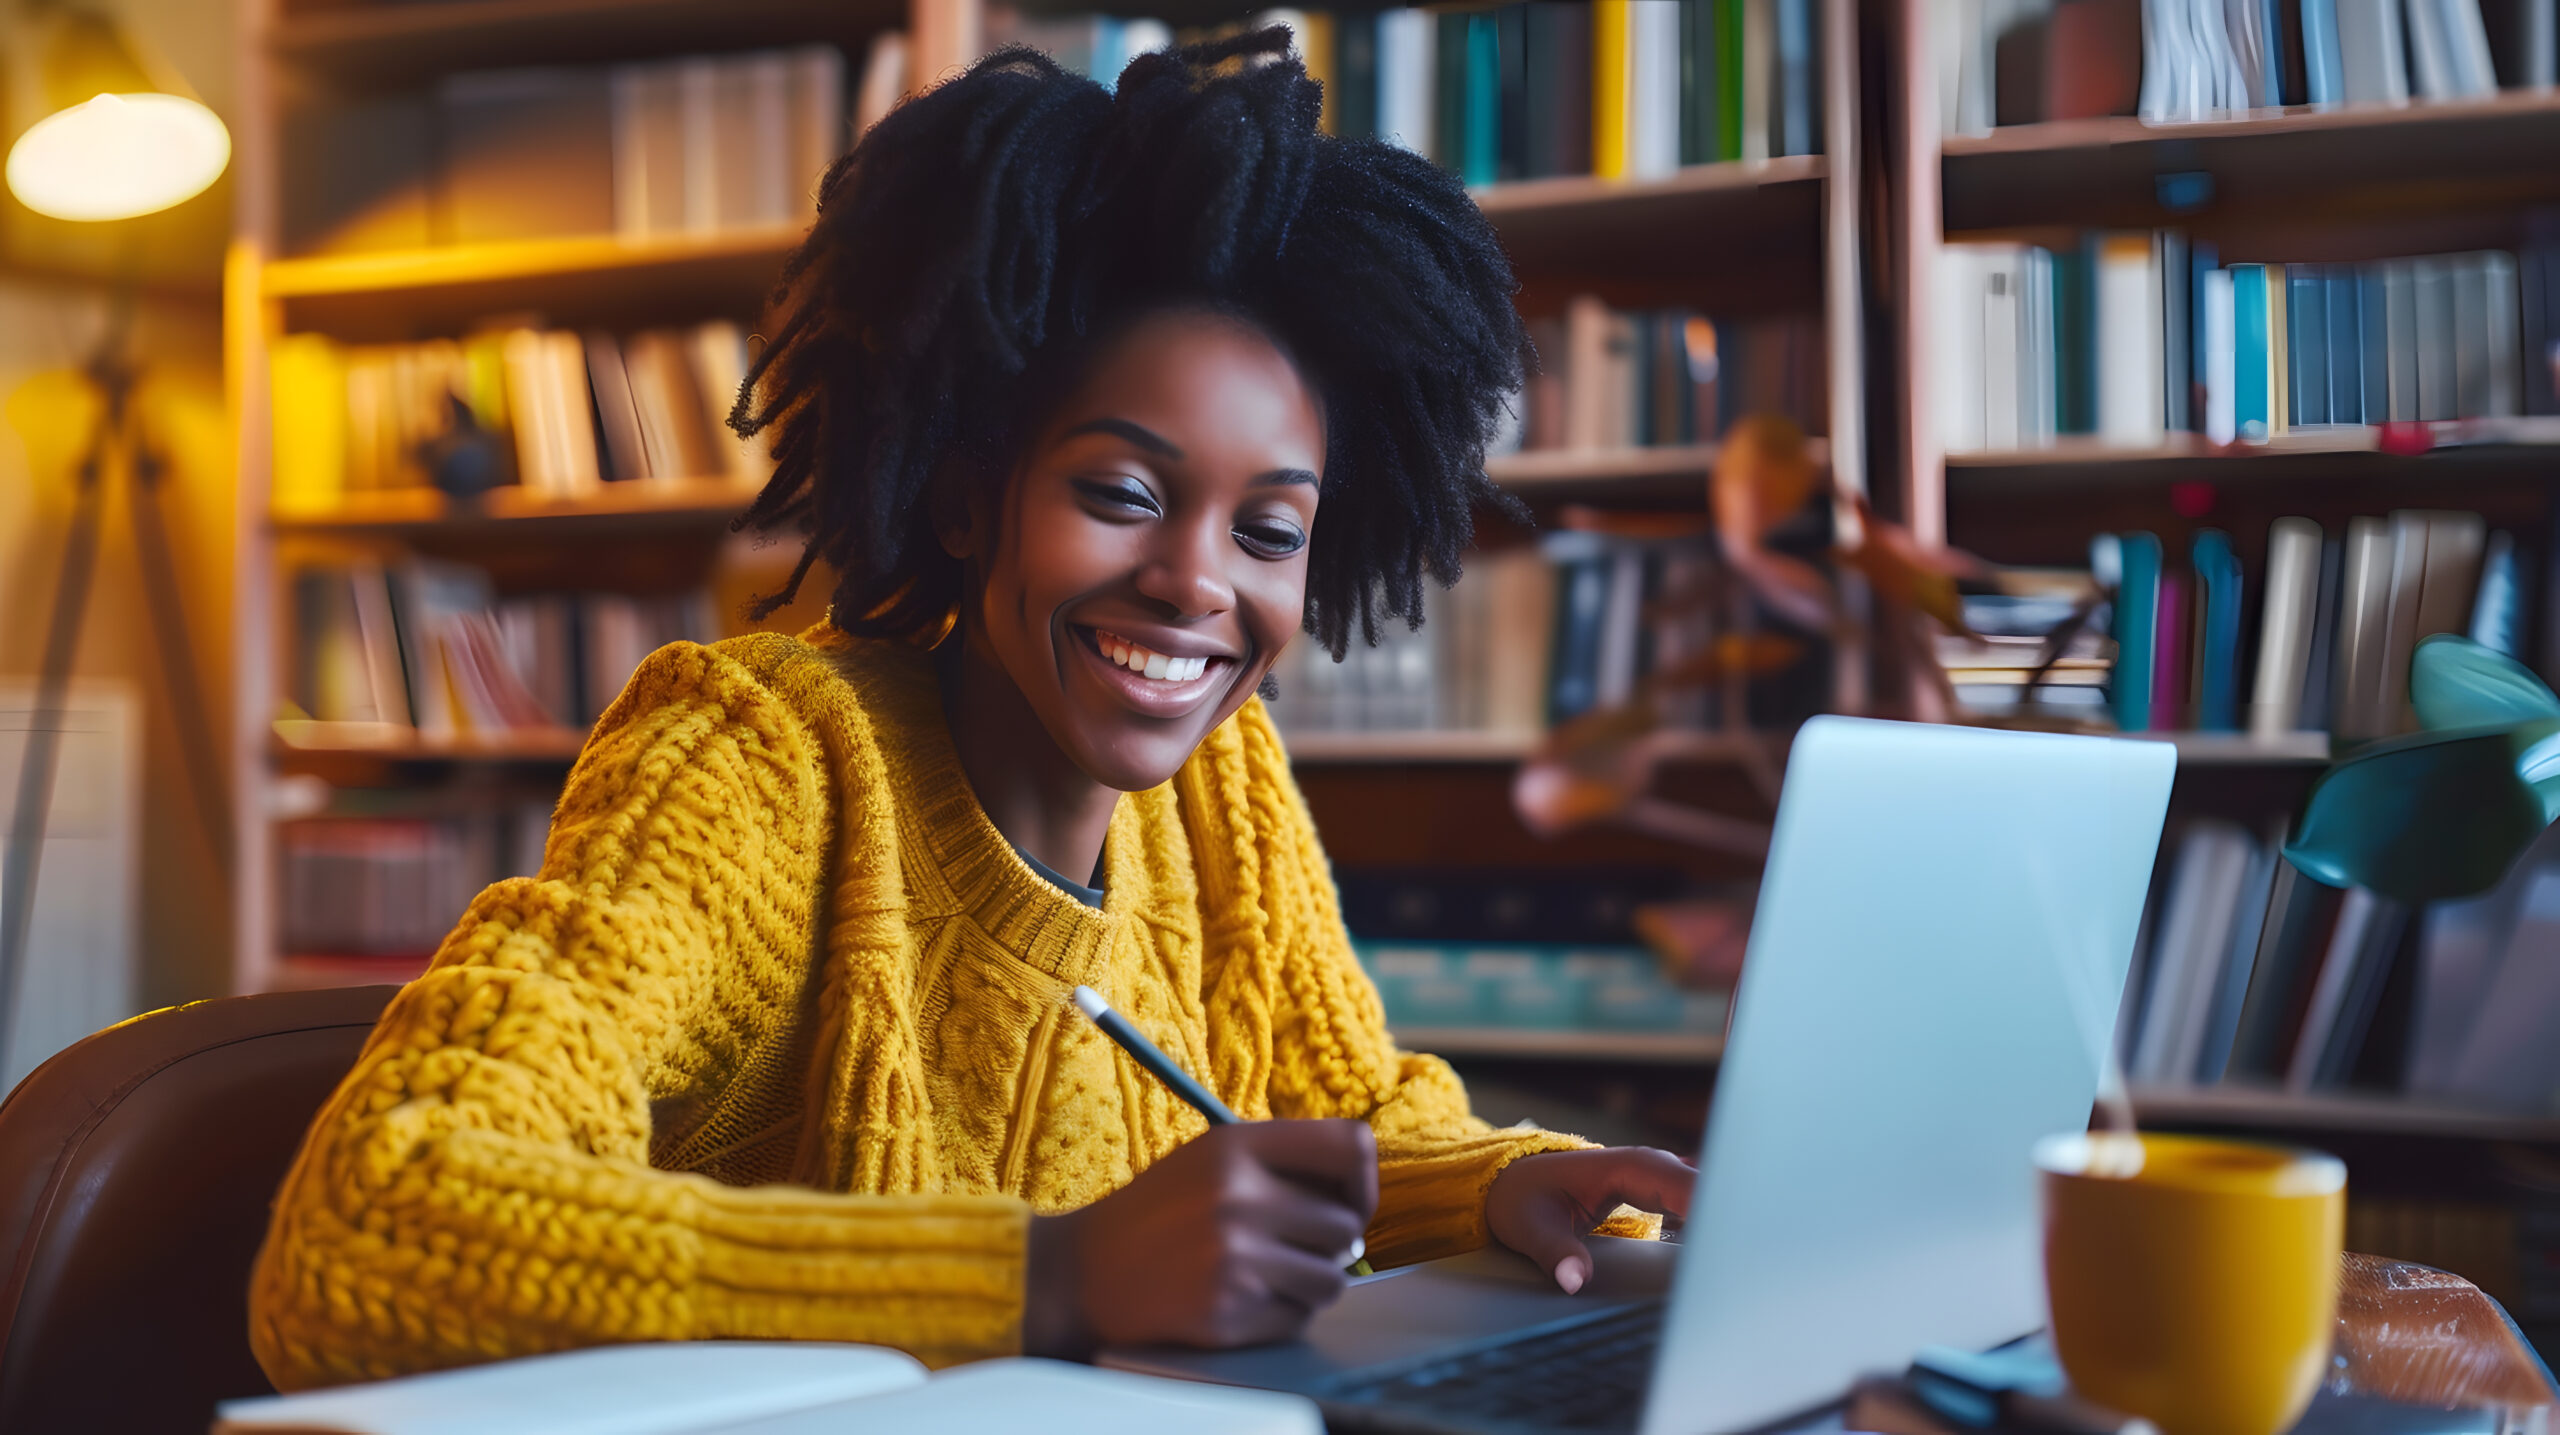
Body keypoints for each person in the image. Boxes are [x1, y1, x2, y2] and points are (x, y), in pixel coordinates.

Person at [248, 30, 1692, 1390]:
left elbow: (1340, 1121)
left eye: (1269, 530)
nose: (1196, 583)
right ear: (962, 493)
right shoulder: (760, 760)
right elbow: (376, 1219)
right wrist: (1048, 1276)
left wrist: (1494, 1187)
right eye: (1122, 494)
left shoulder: (1221, 778)